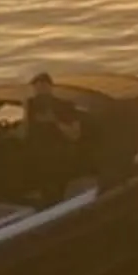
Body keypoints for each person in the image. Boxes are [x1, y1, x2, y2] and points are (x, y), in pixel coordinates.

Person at [20, 71, 85, 202]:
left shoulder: (65, 106)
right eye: (36, 88)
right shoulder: (31, 105)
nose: (39, 91)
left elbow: (75, 135)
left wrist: (55, 121)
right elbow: (25, 131)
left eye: (42, 87)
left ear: (50, 87)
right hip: (37, 153)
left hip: (59, 152)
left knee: (54, 182)